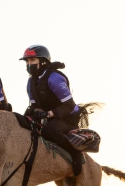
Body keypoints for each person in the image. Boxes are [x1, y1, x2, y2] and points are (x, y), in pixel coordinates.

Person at [20, 45, 84, 176]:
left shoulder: (54, 78)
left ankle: (75, 154)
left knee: (48, 130)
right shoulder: (30, 81)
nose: (28, 64)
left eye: (32, 60)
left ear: (43, 61)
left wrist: (48, 113)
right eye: (27, 61)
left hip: (68, 117)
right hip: (52, 117)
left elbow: (69, 105)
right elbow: (33, 106)